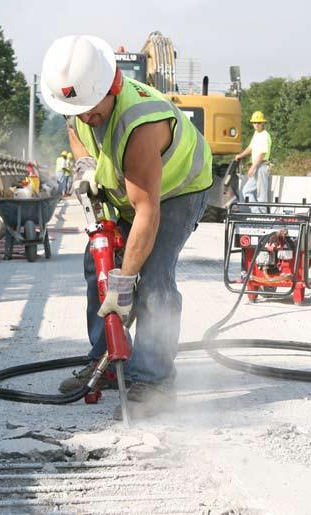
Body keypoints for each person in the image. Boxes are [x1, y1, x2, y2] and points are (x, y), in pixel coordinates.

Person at [41, 35, 212, 419]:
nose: (85, 117)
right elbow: (76, 128)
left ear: (112, 86)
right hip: (130, 189)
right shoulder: (79, 103)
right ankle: (104, 359)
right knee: (97, 262)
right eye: (77, 109)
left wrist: (124, 282)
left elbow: (147, 213)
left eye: (91, 110)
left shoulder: (141, 124)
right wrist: (85, 164)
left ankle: (153, 381)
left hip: (176, 191)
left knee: (152, 276)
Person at [235, 111, 272, 213]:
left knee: (261, 194)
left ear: (263, 123)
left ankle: (263, 215)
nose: (256, 124)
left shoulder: (265, 135)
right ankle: (257, 212)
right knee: (246, 190)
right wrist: (240, 155)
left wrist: (253, 167)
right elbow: (251, 147)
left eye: (259, 122)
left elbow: (262, 153)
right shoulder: (256, 134)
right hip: (257, 166)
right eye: (254, 122)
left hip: (262, 166)